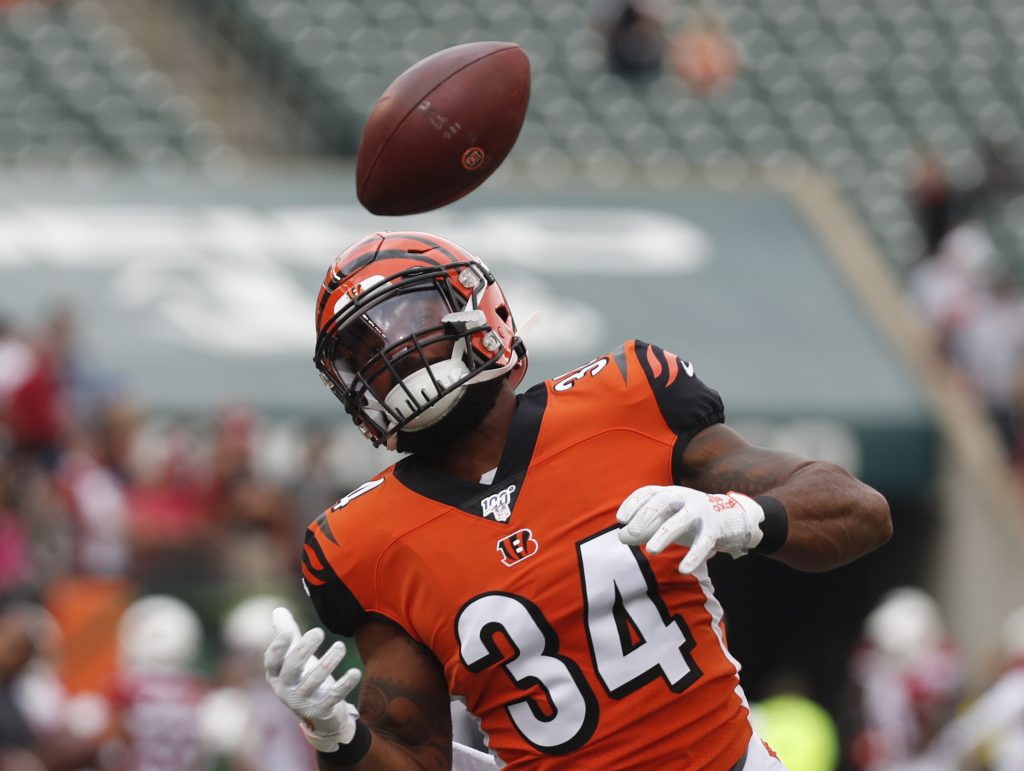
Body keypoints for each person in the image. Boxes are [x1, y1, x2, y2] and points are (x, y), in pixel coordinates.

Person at [262, 231, 892, 770]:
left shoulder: (625, 401)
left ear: (482, 313)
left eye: (406, 324)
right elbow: (411, 752)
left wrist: (741, 514)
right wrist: (337, 736)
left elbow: (862, 512)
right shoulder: (366, 540)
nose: (390, 361)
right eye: (362, 354)